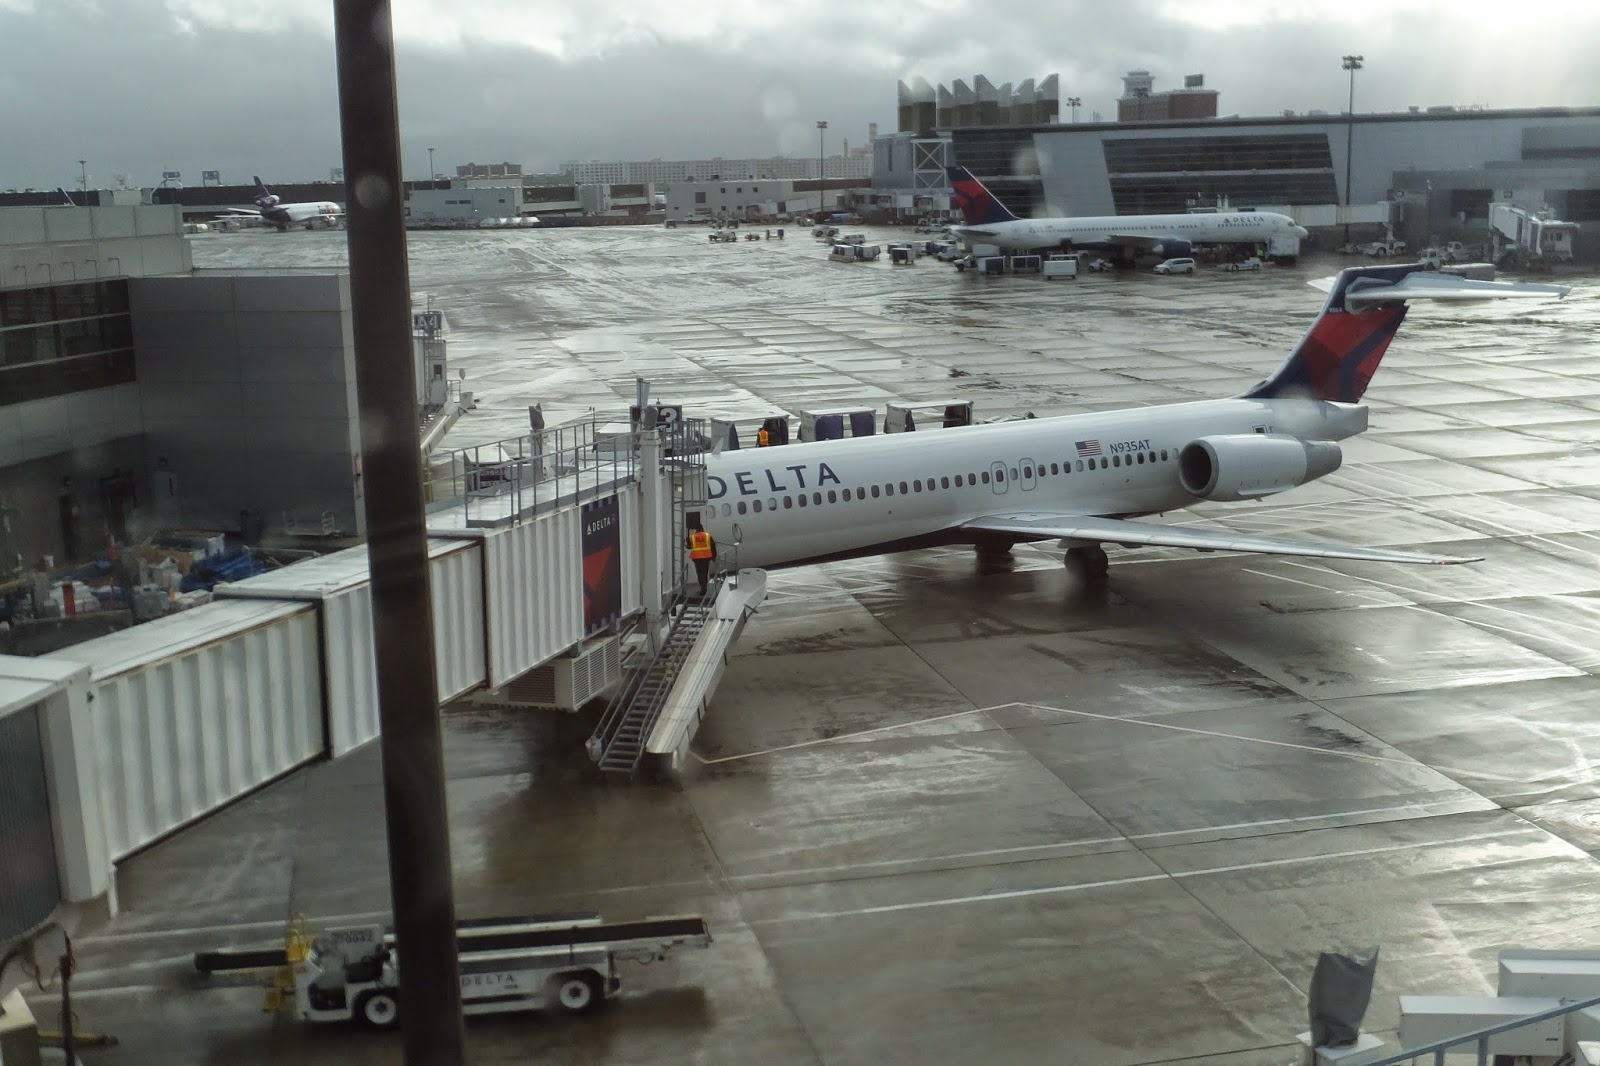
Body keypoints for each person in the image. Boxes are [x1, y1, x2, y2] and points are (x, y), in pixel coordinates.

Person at [686, 517, 716, 596]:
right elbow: (713, 546)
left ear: (696, 530)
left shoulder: (692, 537)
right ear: (702, 529)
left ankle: (703, 588)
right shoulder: (708, 536)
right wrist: (714, 556)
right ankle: (704, 587)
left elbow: (689, 547)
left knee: (699, 574)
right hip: (706, 557)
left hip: (697, 558)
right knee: (705, 572)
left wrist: (686, 541)